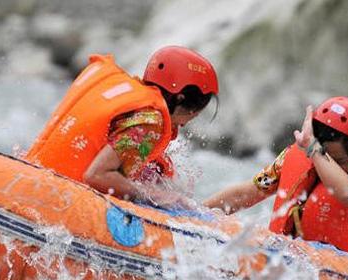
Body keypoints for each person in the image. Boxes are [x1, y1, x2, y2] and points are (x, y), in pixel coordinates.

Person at [204, 97, 348, 260]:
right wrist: (200, 213)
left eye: (337, 161)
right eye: (324, 157)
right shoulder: (300, 154)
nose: (325, 166)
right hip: (289, 257)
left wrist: (316, 151)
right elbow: (248, 192)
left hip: (342, 270)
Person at [25, 46, 218, 205]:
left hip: (33, 178)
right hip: (55, 200)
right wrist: (158, 196)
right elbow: (97, 176)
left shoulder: (130, 97)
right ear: (180, 99)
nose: (185, 124)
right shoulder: (150, 122)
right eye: (194, 114)